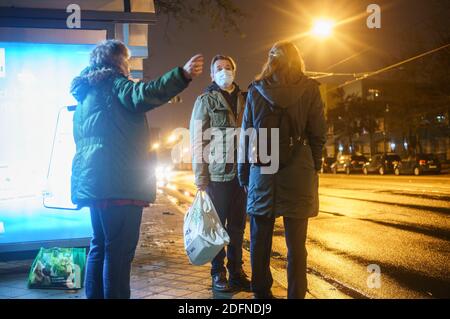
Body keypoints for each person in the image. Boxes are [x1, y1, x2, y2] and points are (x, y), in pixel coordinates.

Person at [70, 39, 203, 299]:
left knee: (99, 246)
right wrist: (182, 75)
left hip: (94, 182)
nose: (128, 66)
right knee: (119, 252)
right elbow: (143, 95)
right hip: (119, 182)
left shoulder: (87, 93)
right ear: (117, 61)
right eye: (127, 61)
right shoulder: (115, 84)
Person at [238, 41, 326, 299]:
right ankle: (296, 295)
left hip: (263, 171)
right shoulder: (310, 89)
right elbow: (318, 134)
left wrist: (244, 173)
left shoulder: (255, 91)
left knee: (259, 241)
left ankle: (262, 294)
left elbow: (246, 137)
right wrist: (314, 165)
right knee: (296, 246)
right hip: (298, 170)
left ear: (271, 61)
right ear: (298, 60)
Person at [189, 55, 250, 292]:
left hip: (242, 175)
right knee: (217, 228)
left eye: (228, 68)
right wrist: (200, 178)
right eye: (219, 69)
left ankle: (237, 272)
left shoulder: (245, 99)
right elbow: (196, 140)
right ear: (212, 75)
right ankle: (218, 274)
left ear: (234, 71)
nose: (224, 71)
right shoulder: (205, 100)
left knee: (237, 228)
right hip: (217, 175)